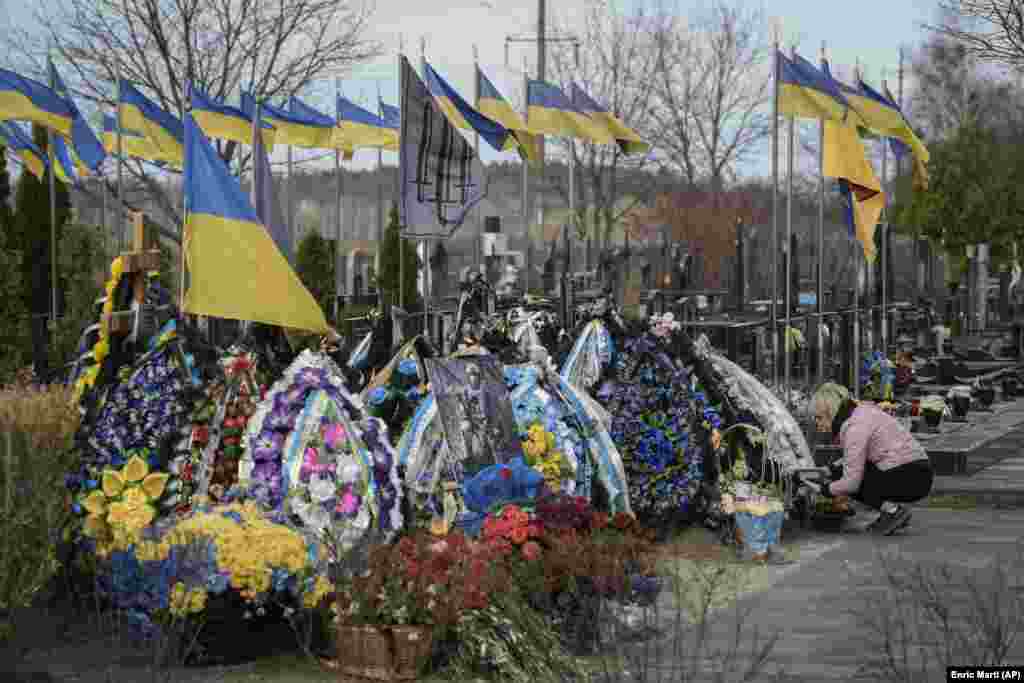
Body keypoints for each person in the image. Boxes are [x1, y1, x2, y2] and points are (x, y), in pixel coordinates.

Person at [811, 382, 934, 535]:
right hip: (916, 470)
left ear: (830, 412)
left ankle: (893, 511)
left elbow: (851, 482)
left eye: (818, 417)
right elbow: (854, 458)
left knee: (848, 480)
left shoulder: (854, 427)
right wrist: (829, 470)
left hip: (910, 475)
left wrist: (825, 490)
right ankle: (890, 513)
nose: (817, 424)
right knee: (843, 473)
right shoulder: (858, 414)